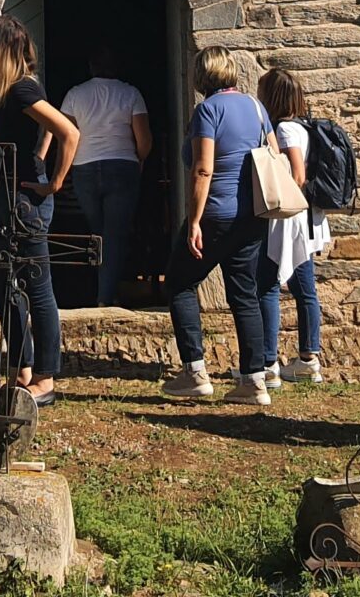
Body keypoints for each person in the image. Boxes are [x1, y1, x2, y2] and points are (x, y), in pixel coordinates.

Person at [159, 47, 276, 405]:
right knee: (244, 294)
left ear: (201, 76)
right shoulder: (257, 108)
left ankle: (194, 371)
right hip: (252, 217)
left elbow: (203, 168)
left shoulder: (207, 110)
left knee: (179, 282)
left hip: (217, 215)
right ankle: (254, 380)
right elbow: (274, 154)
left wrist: (194, 220)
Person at [0, 15, 79, 405]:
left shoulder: (21, 90)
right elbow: (53, 126)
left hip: (24, 203)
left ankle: (44, 379)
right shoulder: (18, 89)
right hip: (11, 199)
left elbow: (68, 130)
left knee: (37, 286)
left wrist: (52, 182)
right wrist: (38, 155)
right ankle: (23, 367)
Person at [59, 42, 151, 306]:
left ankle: (101, 292)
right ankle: (106, 298)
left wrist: (60, 172)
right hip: (122, 167)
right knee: (115, 235)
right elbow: (144, 141)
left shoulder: (75, 94)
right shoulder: (131, 94)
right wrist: (140, 158)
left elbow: (66, 135)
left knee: (98, 233)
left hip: (84, 168)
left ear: (91, 67)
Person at [255, 66, 327, 386]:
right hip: (304, 218)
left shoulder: (284, 129)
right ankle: (308, 359)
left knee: (268, 284)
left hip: (289, 219)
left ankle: (268, 363)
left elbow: (297, 173)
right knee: (303, 288)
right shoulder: (303, 126)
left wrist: (282, 201)